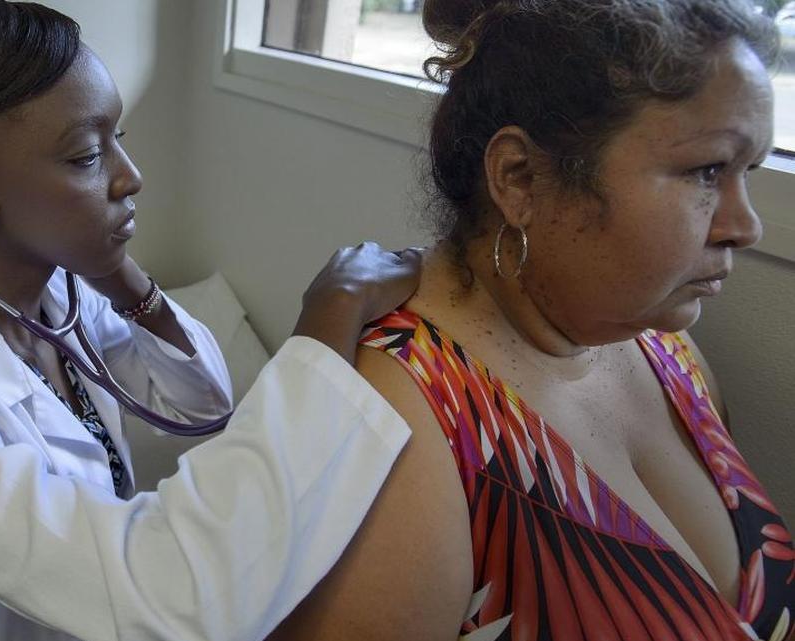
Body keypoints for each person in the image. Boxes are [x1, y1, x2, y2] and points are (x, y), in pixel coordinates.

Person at [0, 1, 422, 640]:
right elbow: (168, 597)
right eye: (87, 155)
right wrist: (330, 322)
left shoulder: (59, 296)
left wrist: (118, 273)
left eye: (120, 138)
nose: (131, 177)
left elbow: (201, 404)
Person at [269, 1, 795, 640]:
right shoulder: (407, 417)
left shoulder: (667, 347)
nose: (746, 225)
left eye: (748, 171)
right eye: (707, 171)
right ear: (519, 178)